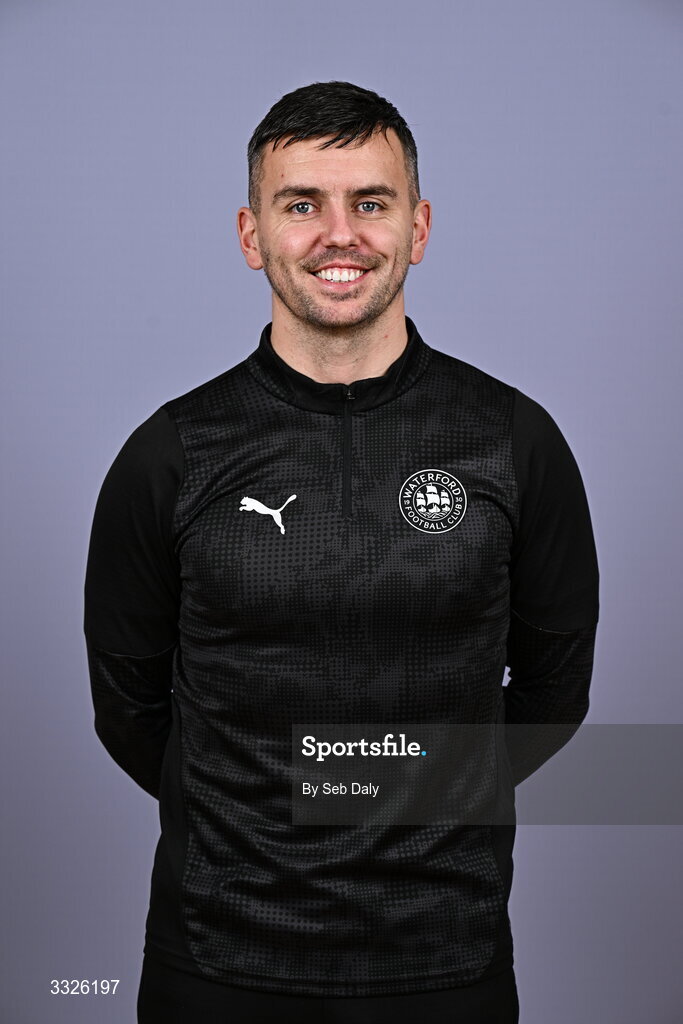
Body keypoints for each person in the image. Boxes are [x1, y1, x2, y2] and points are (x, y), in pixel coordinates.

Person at [83, 81, 599, 1023]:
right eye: (300, 205)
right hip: (217, 958)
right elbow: (127, 712)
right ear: (251, 235)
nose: (339, 235)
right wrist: (257, 816)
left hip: (448, 959)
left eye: (370, 202)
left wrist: (381, 793)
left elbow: (556, 694)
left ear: (419, 225)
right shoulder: (172, 454)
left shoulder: (512, 442)